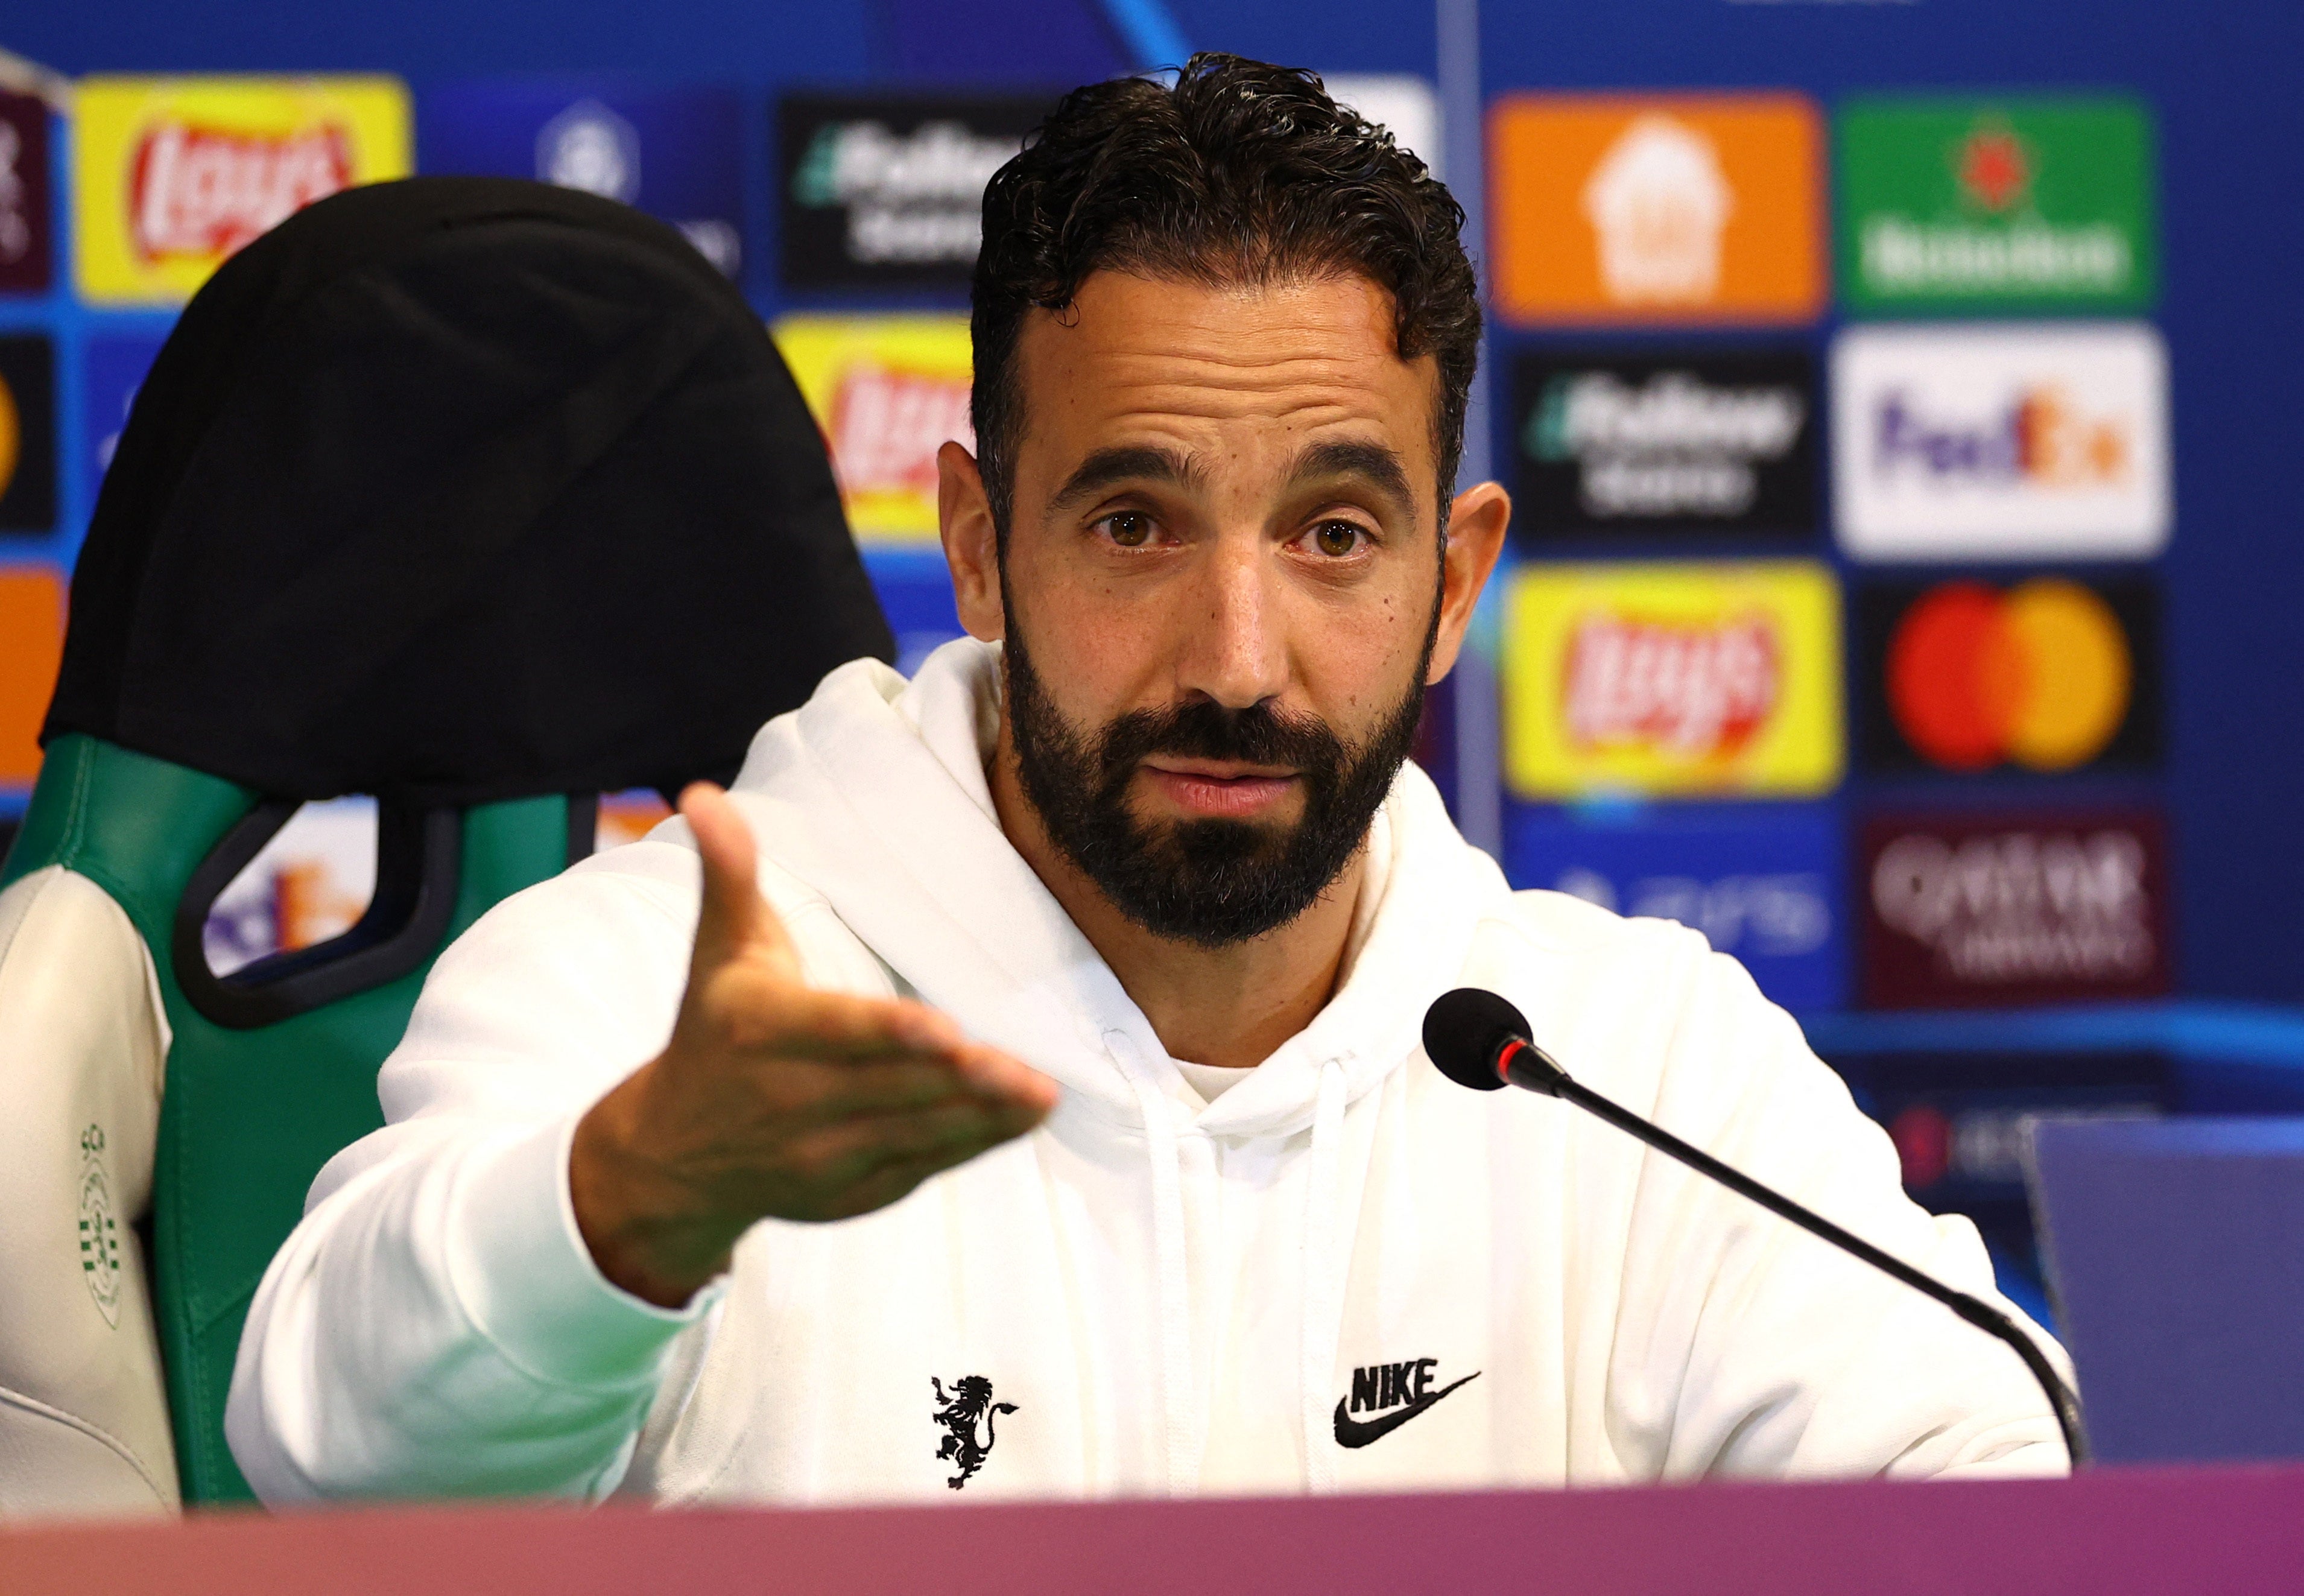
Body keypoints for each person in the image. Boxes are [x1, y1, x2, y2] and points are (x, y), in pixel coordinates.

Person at [227, 54, 2066, 1504]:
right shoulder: (663, 1004)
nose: (1236, 661)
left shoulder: (1626, 1063)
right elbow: (327, 1447)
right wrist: (628, 1202)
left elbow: (1977, 1473)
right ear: (974, 543)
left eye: (1336, 533)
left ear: (1456, 579)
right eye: (1132, 522)